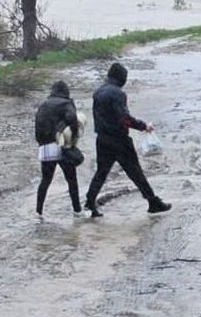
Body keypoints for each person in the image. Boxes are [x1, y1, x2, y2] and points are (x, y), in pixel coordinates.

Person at [85, 62, 171, 217]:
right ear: (122, 78)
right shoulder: (118, 94)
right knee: (135, 172)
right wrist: (143, 126)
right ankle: (152, 201)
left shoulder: (98, 92)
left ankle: (89, 203)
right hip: (119, 140)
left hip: (102, 139)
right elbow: (124, 119)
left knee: (101, 172)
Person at [33, 80, 83, 216]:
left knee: (45, 180)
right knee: (71, 179)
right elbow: (72, 117)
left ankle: (39, 211)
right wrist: (73, 136)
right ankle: (77, 211)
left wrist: (41, 143)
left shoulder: (44, 105)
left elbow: (37, 127)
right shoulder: (66, 104)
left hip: (45, 148)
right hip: (61, 146)